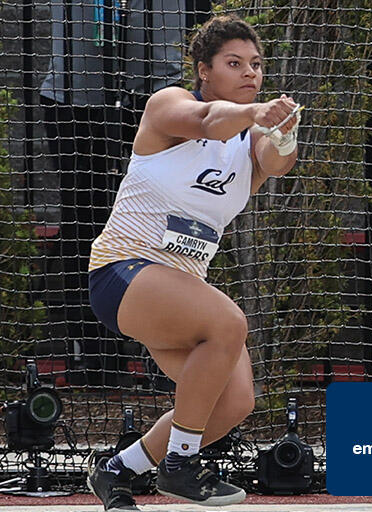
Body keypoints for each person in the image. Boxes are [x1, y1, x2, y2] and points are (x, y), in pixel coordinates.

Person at [85, 13, 300, 510]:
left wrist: (283, 133)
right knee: (228, 323)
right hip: (123, 270)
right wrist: (258, 112)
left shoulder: (250, 139)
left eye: (256, 64)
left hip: (180, 290)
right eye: (234, 63)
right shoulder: (170, 104)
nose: (251, 73)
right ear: (204, 70)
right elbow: (209, 122)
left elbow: (274, 161)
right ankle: (180, 465)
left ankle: (119, 470)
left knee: (233, 401)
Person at [40, 0, 206, 386]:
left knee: (168, 224)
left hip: (157, 95)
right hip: (75, 98)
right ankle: (95, 357)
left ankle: (167, 354)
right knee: (86, 219)